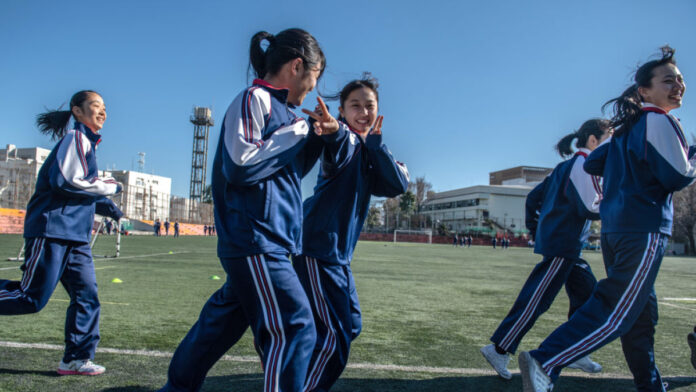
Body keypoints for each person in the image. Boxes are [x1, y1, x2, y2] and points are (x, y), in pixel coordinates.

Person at [160, 28, 327, 392]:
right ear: (298, 66)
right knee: (295, 327)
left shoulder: (285, 113)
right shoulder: (253, 98)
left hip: (270, 240)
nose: (313, 89)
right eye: (315, 78)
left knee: (220, 323)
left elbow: (284, 171)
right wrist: (300, 131)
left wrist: (315, 138)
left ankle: (177, 387)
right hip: (256, 239)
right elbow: (241, 163)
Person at [520, 46, 691, 392]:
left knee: (642, 314)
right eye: (668, 80)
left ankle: (650, 384)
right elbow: (678, 176)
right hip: (643, 230)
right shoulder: (660, 119)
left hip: (617, 231)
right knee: (617, 311)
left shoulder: (630, 128)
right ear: (644, 91)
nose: (679, 85)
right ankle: (545, 360)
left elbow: (594, 161)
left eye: (681, 79)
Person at [294, 74, 409, 391]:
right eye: (354, 106)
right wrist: (332, 129)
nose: (363, 112)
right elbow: (338, 142)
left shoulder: (370, 149)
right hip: (316, 249)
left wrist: (376, 145)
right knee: (335, 339)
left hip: (338, 258)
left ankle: (289, 356)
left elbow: (397, 184)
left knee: (350, 325)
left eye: (369, 106)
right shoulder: (345, 138)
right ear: (342, 112)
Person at [0, 90, 123, 375]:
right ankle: (77, 357)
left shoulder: (87, 144)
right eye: (96, 106)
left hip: (76, 237)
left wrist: (110, 208)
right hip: (52, 230)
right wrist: (110, 186)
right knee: (30, 298)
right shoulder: (76, 138)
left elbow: (79, 187)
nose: (103, 112)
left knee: (87, 297)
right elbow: (67, 181)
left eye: (105, 108)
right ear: (77, 112)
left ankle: (76, 359)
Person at [481, 119, 612, 381]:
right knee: (537, 299)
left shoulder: (563, 167)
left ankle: (575, 351)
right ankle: (499, 349)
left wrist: (535, 228)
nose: (614, 144)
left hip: (568, 245)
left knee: (588, 294)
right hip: (563, 244)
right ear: (593, 141)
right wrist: (618, 201)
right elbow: (589, 208)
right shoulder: (584, 165)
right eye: (610, 137)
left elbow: (533, 198)